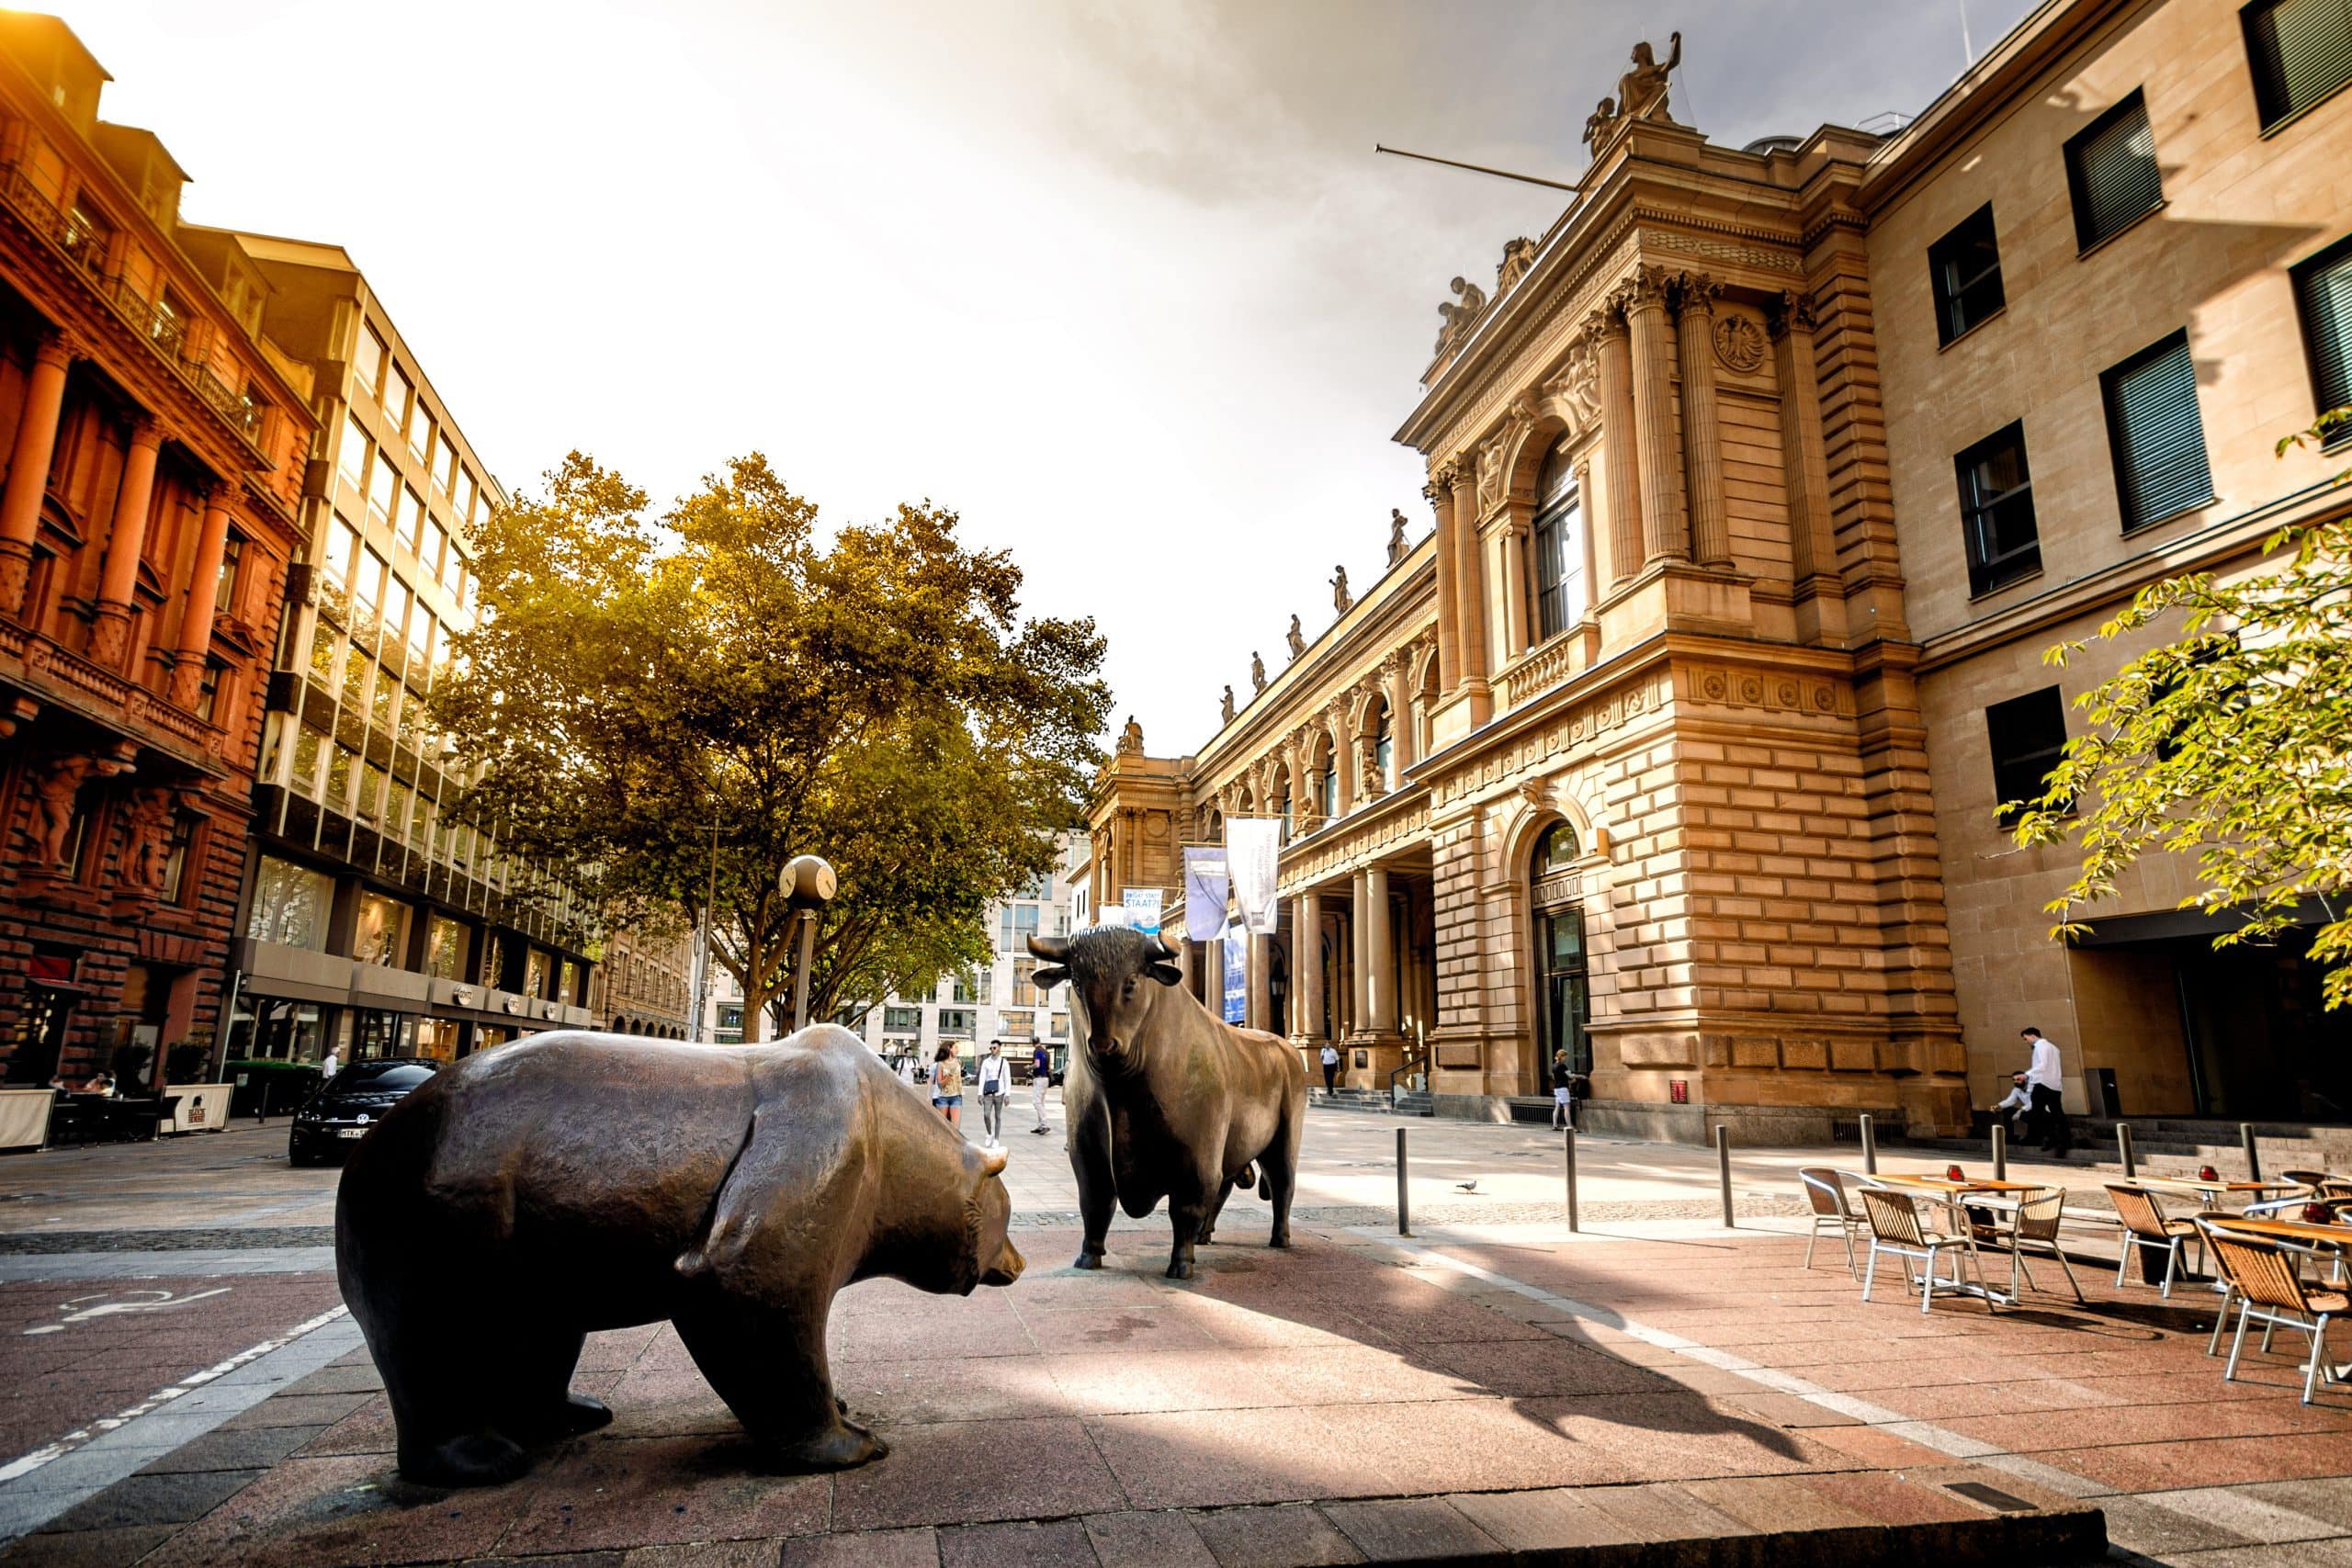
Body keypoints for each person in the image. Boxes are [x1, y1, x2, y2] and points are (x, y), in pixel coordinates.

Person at [2021, 1025, 2072, 1158]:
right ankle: (2065, 1139)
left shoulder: (2040, 1046)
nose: (2027, 1042)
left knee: (2037, 1112)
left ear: (2032, 1036)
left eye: (2026, 1039)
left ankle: (2051, 1137)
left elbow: (2042, 1065)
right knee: (2057, 1113)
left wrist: (2027, 1075)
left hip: (2042, 1084)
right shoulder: (2054, 1048)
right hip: (2055, 1085)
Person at [976, 1040, 1011, 1150]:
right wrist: (980, 1093)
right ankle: (989, 1133)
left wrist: (1007, 1094)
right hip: (988, 1093)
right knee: (986, 1115)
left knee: (998, 1116)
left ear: (999, 1048)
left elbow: (1007, 1079)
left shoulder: (1004, 1062)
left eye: (994, 1048)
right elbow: (982, 1078)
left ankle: (996, 1139)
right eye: (991, 1048)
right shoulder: (986, 1062)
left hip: (1000, 1093)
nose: (992, 1050)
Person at [1989, 1072, 2032, 1138]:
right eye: (2014, 1080)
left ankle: (2032, 1137)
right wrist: (1997, 1106)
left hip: (2041, 1113)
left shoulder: (2034, 1088)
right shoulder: (2017, 1089)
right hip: (2026, 1112)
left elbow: (2033, 1103)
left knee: (2033, 1113)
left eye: (2018, 1079)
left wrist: (2020, 1111)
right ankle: (2010, 1138)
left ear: (2026, 1079)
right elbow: (2009, 1101)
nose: (2015, 1082)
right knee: (2007, 1111)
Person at [932, 1043, 964, 1130]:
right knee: (942, 1127)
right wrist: (949, 1076)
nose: (957, 1050)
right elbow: (940, 1084)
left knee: (955, 1129)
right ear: (949, 1048)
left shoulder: (958, 1062)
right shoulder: (940, 1064)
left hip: (956, 1097)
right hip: (943, 1098)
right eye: (955, 1048)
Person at [1030, 1041, 1053, 1134]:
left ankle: (1044, 1124)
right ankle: (1041, 1126)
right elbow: (1049, 1067)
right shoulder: (1047, 1052)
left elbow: (1037, 1065)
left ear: (1033, 1044)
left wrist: (1029, 1067)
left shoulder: (1037, 1051)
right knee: (1041, 1102)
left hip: (1039, 1079)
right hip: (1046, 1079)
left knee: (1036, 1102)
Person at [1550, 1048, 1576, 1131]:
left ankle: (1555, 1125)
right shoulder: (1563, 1066)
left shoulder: (1554, 1066)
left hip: (1556, 1089)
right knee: (1566, 1108)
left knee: (1557, 1107)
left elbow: (1554, 1078)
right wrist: (1576, 1077)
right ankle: (1569, 1126)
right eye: (1565, 1057)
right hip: (1563, 1089)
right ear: (1562, 1056)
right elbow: (1570, 1076)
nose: (1566, 1059)